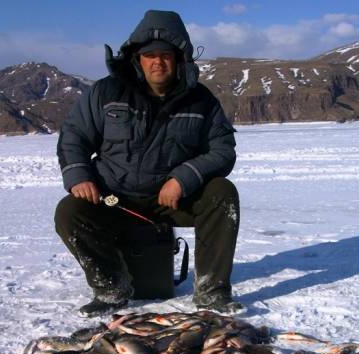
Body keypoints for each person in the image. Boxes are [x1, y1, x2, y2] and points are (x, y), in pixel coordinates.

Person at [55, 10, 241, 317]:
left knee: (222, 193)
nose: (158, 62)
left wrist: (184, 178)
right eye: (149, 55)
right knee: (69, 211)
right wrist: (78, 176)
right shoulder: (106, 92)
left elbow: (223, 150)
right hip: (113, 197)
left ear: (179, 58)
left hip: (172, 199)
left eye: (165, 55)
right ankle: (111, 288)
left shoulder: (201, 100)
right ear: (137, 59)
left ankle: (212, 291)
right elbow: (74, 136)